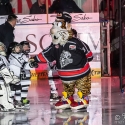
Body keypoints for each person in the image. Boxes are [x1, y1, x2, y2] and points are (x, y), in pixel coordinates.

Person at [33, 12, 93, 110]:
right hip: (65, 74)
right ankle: (68, 98)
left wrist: (83, 61)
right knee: (67, 87)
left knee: (82, 85)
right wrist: (35, 59)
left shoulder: (76, 42)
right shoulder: (55, 44)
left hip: (81, 72)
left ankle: (83, 99)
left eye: (59, 24)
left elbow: (89, 55)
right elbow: (46, 53)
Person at [8, 42, 38, 109]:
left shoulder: (20, 55)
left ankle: (17, 101)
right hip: (14, 75)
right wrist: (31, 65)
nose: (19, 48)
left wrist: (31, 63)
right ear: (12, 49)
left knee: (19, 88)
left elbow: (26, 62)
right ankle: (12, 102)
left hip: (18, 75)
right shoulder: (14, 56)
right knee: (13, 89)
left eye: (19, 47)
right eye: (17, 47)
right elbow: (24, 64)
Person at [0, 42, 20, 111]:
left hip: (4, 79)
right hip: (1, 79)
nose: (2, 47)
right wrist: (9, 78)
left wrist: (12, 76)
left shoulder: (3, 57)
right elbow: (1, 67)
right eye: (0, 46)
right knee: (3, 92)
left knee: (7, 91)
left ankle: (8, 103)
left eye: (2, 46)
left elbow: (7, 68)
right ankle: (3, 105)